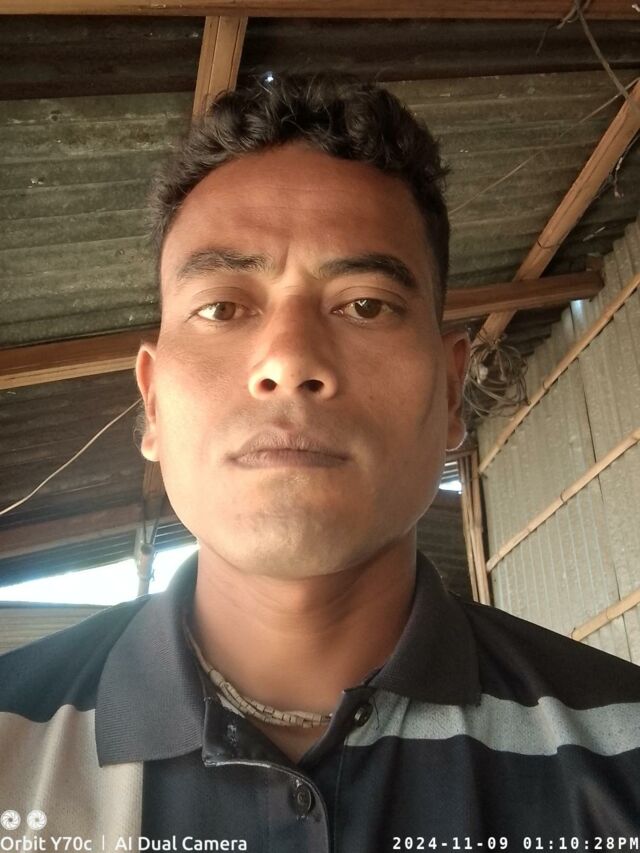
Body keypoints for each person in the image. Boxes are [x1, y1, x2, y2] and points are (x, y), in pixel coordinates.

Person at [1, 73, 639, 851]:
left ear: (449, 393)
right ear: (154, 402)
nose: (289, 360)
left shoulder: (623, 750)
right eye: (222, 307)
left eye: (365, 304)